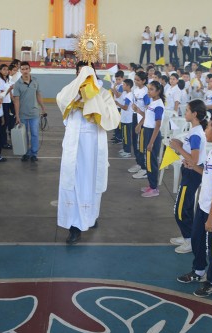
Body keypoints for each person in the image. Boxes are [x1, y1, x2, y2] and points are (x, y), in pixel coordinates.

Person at [56, 61, 120, 244]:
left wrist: (93, 101)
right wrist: (76, 98)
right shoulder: (71, 89)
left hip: (92, 146)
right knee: (73, 182)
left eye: (86, 72)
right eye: (79, 72)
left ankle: (90, 215)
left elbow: (112, 118)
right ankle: (74, 226)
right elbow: (61, 100)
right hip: (74, 145)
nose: (82, 75)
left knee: (90, 182)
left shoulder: (103, 94)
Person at [177, 114, 212, 297]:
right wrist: (193, 166)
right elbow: (207, 174)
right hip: (204, 206)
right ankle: (199, 271)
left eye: (208, 127)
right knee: (197, 239)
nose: (205, 130)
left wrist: (211, 217)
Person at [169, 100, 207, 254]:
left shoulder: (196, 133)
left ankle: (189, 241)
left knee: (180, 209)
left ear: (195, 114)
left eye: (187, 111)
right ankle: (188, 236)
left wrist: (178, 148)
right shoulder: (194, 131)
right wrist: (180, 145)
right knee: (187, 205)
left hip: (192, 174)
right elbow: (190, 152)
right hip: (189, 172)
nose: (185, 113)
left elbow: (195, 160)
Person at [133, 81, 164, 198]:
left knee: (152, 162)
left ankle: (154, 188)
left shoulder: (159, 105)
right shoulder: (152, 102)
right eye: (149, 89)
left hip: (153, 134)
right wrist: (138, 113)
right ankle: (151, 185)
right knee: (149, 161)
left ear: (158, 91)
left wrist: (151, 142)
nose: (149, 91)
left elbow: (157, 125)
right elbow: (146, 116)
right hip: (147, 131)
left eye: (151, 89)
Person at [13, 61, 46, 162]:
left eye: (26, 69)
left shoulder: (35, 81)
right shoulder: (17, 84)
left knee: (34, 134)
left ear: (30, 69)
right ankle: (26, 153)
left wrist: (43, 107)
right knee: (24, 135)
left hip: (34, 113)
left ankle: (34, 153)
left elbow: (38, 95)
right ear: (20, 70)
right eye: (22, 69)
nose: (25, 71)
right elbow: (16, 101)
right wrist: (17, 115)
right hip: (23, 114)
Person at [129, 71, 150, 179]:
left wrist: (140, 124)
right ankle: (139, 163)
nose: (135, 81)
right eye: (135, 79)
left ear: (143, 81)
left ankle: (144, 168)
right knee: (135, 141)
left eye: (138, 80)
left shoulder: (146, 92)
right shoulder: (136, 90)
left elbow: (147, 111)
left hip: (143, 120)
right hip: (135, 117)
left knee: (141, 144)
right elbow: (135, 104)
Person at [115, 79, 134, 158]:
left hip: (127, 119)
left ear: (128, 86)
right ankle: (124, 148)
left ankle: (127, 151)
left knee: (126, 135)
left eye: (124, 85)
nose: (122, 86)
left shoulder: (129, 95)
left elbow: (125, 107)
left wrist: (117, 104)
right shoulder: (125, 93)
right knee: (124, 134)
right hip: (124, 118)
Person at [0, 64, 13, 149]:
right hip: (2, 103)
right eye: (4, 69)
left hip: (7, 103)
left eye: (7, 70)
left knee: (6, 123)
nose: (6, 71)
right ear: (0, 70)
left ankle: (3, 141)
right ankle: (3, 142)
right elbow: (1, 95)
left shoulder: (7, 80)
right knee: (3, 124)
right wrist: (9, 90)